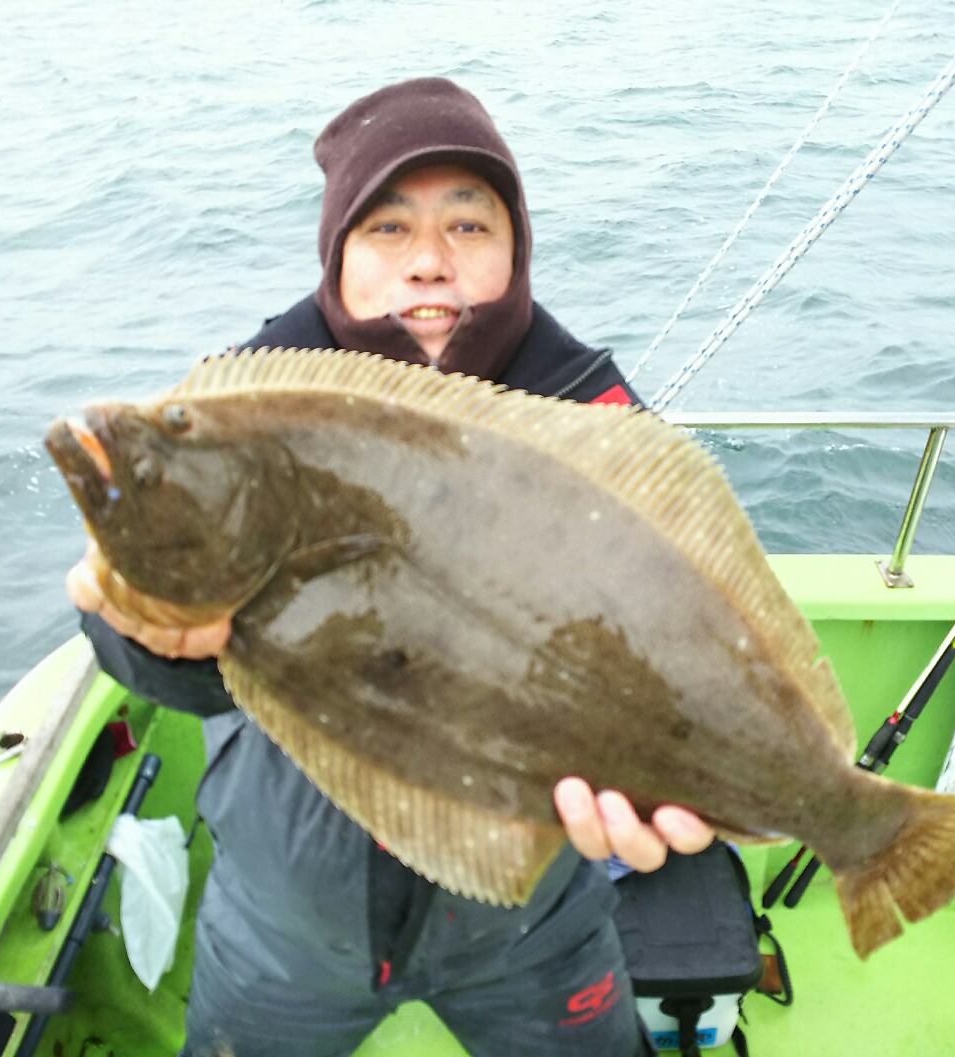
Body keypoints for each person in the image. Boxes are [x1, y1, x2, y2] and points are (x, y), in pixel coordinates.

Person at [67, 77, 715, 1057]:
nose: (428, 261)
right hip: (288, 922)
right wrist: (149, 635)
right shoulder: (242, 404)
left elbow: (677, 623)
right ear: (338, 253)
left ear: (516, 247)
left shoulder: (589, 417)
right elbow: (170, 666)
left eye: (469, 225)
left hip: (529, 921)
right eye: (387, 228)